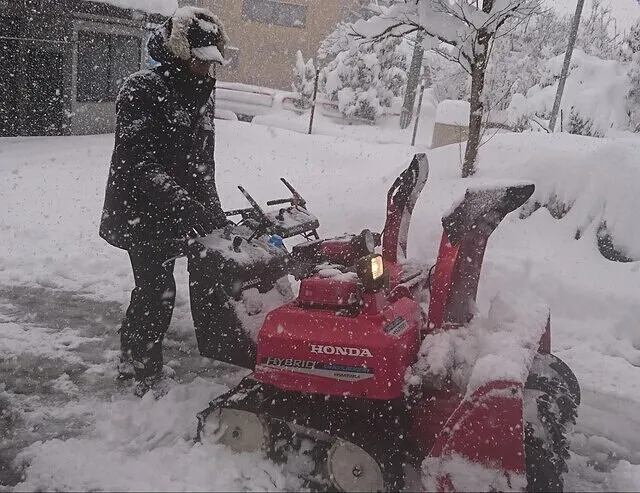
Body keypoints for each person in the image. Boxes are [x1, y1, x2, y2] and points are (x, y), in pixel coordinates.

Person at [99, 6, 229, 396]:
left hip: (179, 209)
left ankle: (148, 348)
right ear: (179, 53)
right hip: (140, 210)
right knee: (155, 290)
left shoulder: (204, 91)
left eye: (212, 63)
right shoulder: (140, 89)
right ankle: (139, 367)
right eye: (201, 61)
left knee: (200, 278)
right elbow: (138, 162)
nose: (209, 70)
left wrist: (215, 213)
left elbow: (202, 162)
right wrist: (188, 206)